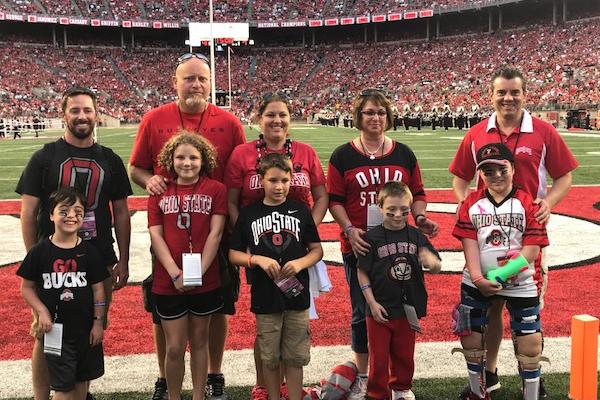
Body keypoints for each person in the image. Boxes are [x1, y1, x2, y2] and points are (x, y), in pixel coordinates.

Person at [449, 67, 578, 399]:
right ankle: (489, 374)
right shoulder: (478, 132)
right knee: (489, 307)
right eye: (501, 92)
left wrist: (548, 202)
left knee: (528, 308)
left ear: (525, 95)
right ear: (491, 95)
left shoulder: (543, 131)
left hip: (527, 234)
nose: (508, 98)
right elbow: (459, 177)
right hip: (487, 236)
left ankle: (530, 377)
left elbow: (564, 176)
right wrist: (468, 206)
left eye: (514, 92)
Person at [129, 52, 245, 400]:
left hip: (216, 230)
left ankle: (214, 373)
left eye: (202, 78)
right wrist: (150, 182)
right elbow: (136, 168)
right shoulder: (154, 119)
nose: (195, 84)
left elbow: (239, 175)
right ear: (175, 82)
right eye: (188, 78)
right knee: (163, 305)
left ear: (211, 83)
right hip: (171, 229)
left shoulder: (229, 122)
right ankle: (166, 377)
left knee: (218, 304)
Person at [16, 86, 132, 400]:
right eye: (75, 110)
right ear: (64, 114)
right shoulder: (45, 156)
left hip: (98, 259)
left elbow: (121, 212)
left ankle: (80, 390)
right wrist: (35, 259)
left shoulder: (110, 159)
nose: (82, 116)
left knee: (93, 325)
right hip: (53, 260)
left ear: (97, 114)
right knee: (45, 330)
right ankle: (44, 396)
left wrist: (123, 259)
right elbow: (28, 212)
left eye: (87, 110)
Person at [327, 88, 438, 400]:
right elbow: (335, 200)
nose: (374, 117)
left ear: (388, 116)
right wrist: (349, 229)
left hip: (400, 247)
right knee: (363, 312)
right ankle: (364, 377)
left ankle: (399, 383)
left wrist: (421, 217)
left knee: (402, 312)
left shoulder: (403, 153)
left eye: (379, 112)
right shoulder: (343, 155)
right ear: (358, 117)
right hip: (361, 247)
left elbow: (417, 193)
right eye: (368, 112)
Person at [224, 92, 327, 400]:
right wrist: (250, 244)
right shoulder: (242, 154)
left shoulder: (306, 153)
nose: (277, 120)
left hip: (297, 249)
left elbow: (321, 196)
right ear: (259, 118)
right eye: (270, 114)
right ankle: (265, 387)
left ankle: (289, 390)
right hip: (259, 247)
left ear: (290, 118)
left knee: (295, 322)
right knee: (267, 320)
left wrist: (307, 230)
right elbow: (231, 203)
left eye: (283, 114)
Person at [452, 143, 549, 400]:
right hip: (476, 280)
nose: (496, 175)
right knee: (471, 339)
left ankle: (531, 394)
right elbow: (469, 245)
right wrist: (478, 278)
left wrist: (499, 276)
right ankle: (478, 391)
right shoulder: (470, 203)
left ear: (514, 169)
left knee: (530, 346)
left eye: (501, 169)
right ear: (480, 175)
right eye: (488, 171)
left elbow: (531, 251)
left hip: (521, 281)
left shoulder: (529, 204)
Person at [148, 132, 227, 400]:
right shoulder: (159, 190)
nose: (187, 162)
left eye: (193, 157)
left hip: (205, 277)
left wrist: (199, 272)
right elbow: (156, 235)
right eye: (180, 157)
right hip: (168, 280)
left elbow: (216, 234)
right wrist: (174, 273)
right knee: (174, 347)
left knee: (201, 342)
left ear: (204, 159)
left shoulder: (216, 189)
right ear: (170, 159)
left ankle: (198, 396)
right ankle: (173, 396)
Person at [17, 187, 109, 400]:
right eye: (64, 211)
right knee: (64, 389)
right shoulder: (39, 252)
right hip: (56, 333)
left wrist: (97, 322)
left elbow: (98, 290)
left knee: (80, 386)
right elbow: (26, 287)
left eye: (78, 211)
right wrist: (42, 312)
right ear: (51, 215)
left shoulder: (90, 252)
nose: (71, 216)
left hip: (85, 330)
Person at [357, 181, 441, 400]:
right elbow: (362, 272)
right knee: (379, 356)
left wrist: (431, 261)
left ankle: (401, 389)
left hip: (407, 307)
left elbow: (436, 267)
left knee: (404, 353)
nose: (397, 216)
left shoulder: (416, 235)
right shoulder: (371, 238)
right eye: (391, 211)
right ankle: (376, 393)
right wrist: (372, 303)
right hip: (379, 308)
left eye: (404, 211)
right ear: (380, 208)